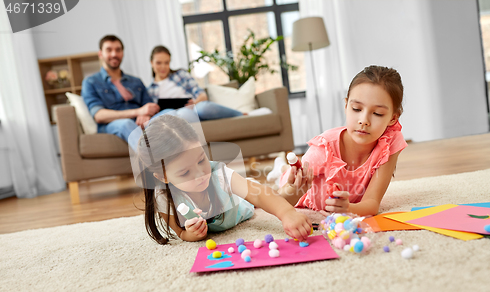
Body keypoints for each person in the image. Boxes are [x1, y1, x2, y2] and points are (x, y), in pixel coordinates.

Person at [133, 114, 312, 244]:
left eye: (201, 160)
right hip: (241, 192)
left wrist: (288, 214)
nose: (200, 174)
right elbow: (180, 233)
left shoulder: (217, 173)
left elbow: (258, 196)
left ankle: (280, 169)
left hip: (244, 199)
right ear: (163, 177)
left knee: (286, 197)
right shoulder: (163, 198)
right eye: (185, 173)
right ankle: (280, 172)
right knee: (288, 194)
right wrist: (192, 234)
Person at [277, 65, 408, 217]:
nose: (364, 121)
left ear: (393, 118)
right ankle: (281, 169)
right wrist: (293, 188)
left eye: (377, 113)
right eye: (357, 109)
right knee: (288, 175)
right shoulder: (323, 150)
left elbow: (372, 203)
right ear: (346, 106)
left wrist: (348, 208)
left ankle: (280, 167)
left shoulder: (390, 141)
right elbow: (279, 200)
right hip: (297, 185)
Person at [82, 35, 169, 143]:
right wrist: (138, 111)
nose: (114, 54)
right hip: (114, 124)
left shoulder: (136, 81)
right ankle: (152, 159)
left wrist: (145, 114)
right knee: (127, 123)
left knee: (169, 113)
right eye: (109, 50)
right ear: (100, 54)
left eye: (118, 50)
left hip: (139, 121)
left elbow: (150, 107)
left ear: (122, 53)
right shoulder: (91, 82)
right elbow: (99, 115)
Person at [147, 45, 244, 122]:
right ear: (152, 63)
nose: (163, 67)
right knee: (179, 114)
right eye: (159, 63)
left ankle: (241, 115)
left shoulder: (181, 74)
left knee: (203, 108)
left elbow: (202, 95)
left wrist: (194, 103)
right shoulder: (150, 90)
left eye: (166, 63)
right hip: (173, 116)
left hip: (193, 109)